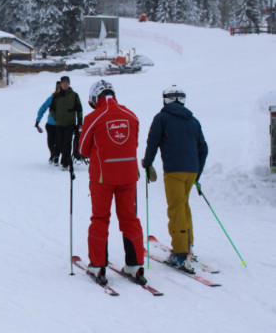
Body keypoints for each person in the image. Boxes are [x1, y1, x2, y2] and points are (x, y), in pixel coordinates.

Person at [79, 80, 146, 285]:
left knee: (100, 219)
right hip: (128, 176)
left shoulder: (93, 117)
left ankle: (98, 266)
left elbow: (82, 148)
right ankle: (135, 265)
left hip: (103, 178)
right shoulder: (131, 115)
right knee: (129, 218)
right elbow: (133, 142)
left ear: (94, 98)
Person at [142, 85, 208, 274]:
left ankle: (180, 254)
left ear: (166, 99)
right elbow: (203, 148)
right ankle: (188, 245)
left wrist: (147, 163)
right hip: (191, 170)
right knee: (184, 206)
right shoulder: (193, 120)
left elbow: (153, 142)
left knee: (176, 209)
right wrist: (198, 173)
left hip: (174, 171)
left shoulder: (161, 118)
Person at [50, 75, 83, 171]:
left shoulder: (74, 95)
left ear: (69, 83)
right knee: (60, 143)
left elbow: (79, 109)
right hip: (59, 123)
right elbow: (51, 109)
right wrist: (56, 117)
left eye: (66, 83)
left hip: (70, 123)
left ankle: (65, 162)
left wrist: (80, 122)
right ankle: (62, 158)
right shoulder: (56, 96)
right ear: (61, 84)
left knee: (67, 143)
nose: (65, 85)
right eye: (63, 83)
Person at [35, 81, 61, 165]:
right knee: (50, 141)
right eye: (58, 89)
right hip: (50, 124)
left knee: (58, 141)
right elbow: (43, 108)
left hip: (61, 124)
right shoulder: (51, 98)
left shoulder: (66, 99)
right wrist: (38, 120)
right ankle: (52, 154)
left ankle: (56, 156)